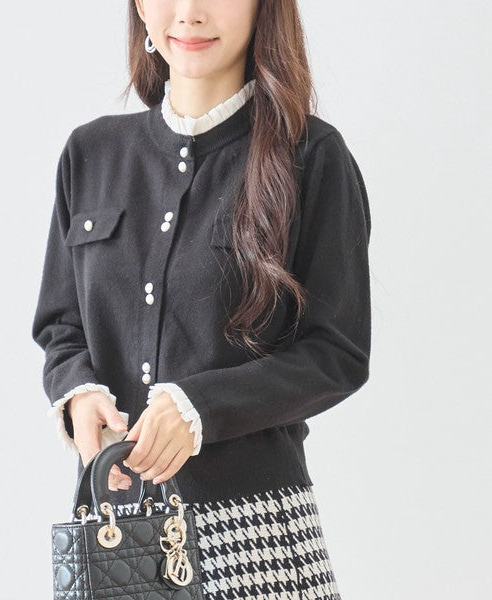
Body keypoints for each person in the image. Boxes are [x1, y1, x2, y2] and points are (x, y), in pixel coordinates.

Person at [32, 1, 371, 598]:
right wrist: (78, 394)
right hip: (118, 538)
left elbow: (336, 353)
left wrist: (201, 407)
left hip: (257, 537)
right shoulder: (91, 155)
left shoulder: (311, 157)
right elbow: (61, 326)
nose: (189, 13)